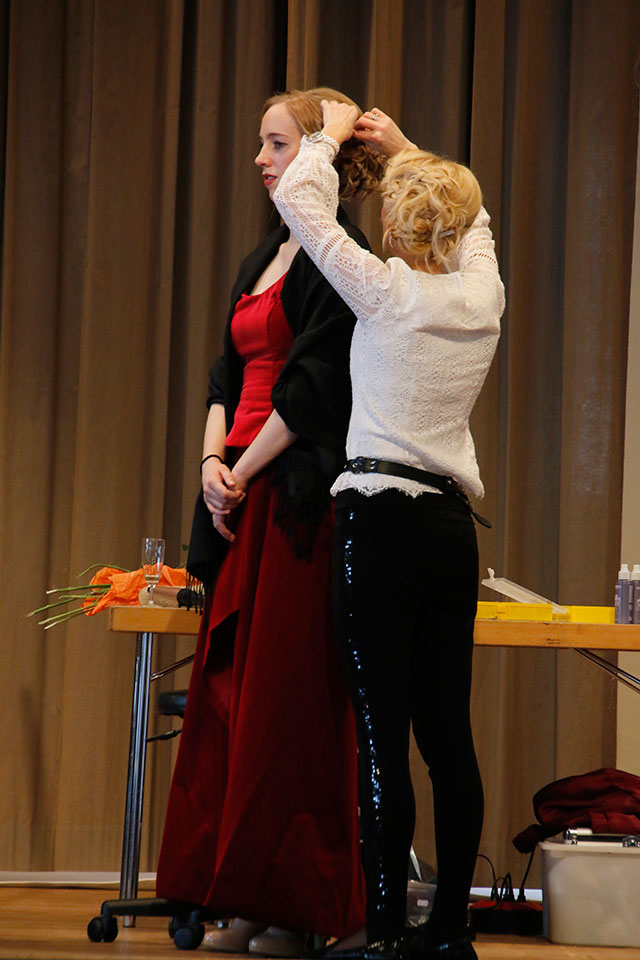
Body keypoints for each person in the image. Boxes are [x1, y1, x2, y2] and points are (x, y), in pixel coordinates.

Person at [154, 89, 384, 956]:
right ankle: (245, 893)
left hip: (292, 500)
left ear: (318, 155)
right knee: (233, 701)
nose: (260, 158)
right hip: (239, 491)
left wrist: (243, 473)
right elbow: (226, 373)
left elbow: (314, 390)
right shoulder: (264, 255)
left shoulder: (339, 257)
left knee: (284, 706)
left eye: (278, 143)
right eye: (260, 143)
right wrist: (210, 466)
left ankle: (302, 904)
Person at [274, 103, 505, 960]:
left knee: (382, 736)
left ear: (397, 229)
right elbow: (478, 220)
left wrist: (328, 135)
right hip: (448, 529)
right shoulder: (482, 299)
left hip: (375, 524)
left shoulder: (383, 290)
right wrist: (410, 152)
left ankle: (383, 932)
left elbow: (301, 202)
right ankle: (449, 931)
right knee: (449, 738)